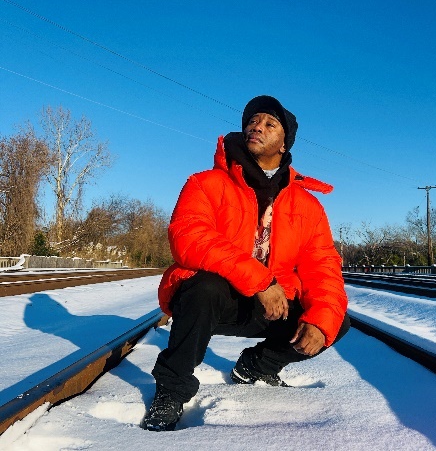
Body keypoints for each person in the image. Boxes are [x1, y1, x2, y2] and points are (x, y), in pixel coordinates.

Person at [141, 95, 350, 432]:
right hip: (217, 302)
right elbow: (190, 238)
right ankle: (171, 390)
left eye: (269, 124)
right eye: (253, 121)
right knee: (203, 285)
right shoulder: (205, 184)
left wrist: (320, 320)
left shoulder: (307, 206)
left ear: (284, 143)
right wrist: (261, 281)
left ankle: (255, 365)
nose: (257, 127)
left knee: (334, 323)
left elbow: (322, 266)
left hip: (271, 306)